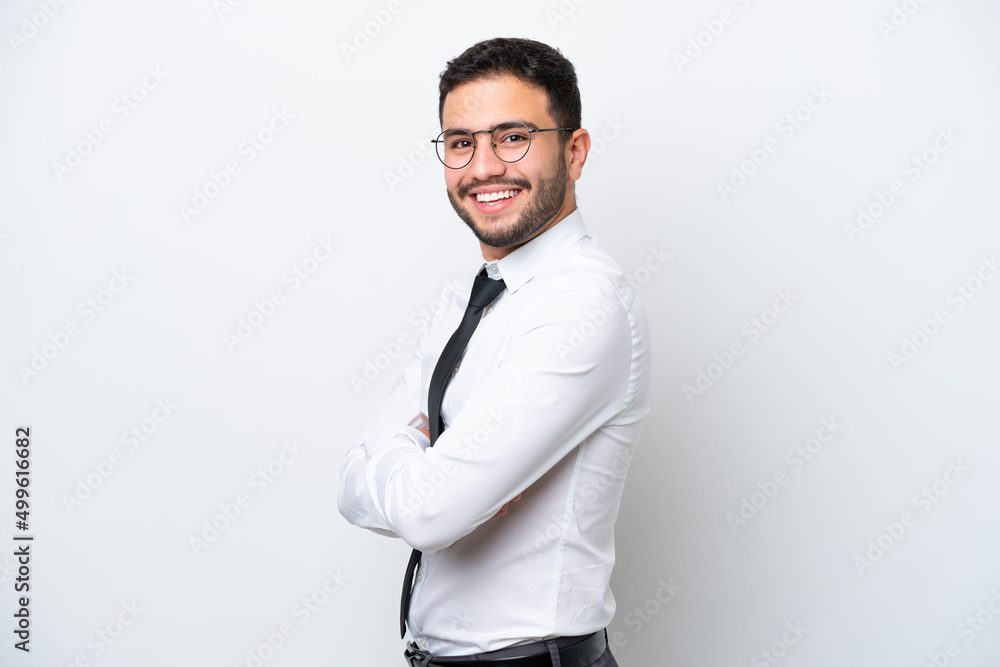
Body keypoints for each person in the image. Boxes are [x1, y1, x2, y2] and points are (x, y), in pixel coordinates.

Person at [338, 37, 650, 667]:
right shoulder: (471, 298)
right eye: (461, 142)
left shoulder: (583, 304)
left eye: (512, 137)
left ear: (575, 150)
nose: (483, 167)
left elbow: (428, 514)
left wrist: (416, 460)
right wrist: (424, 467)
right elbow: (349, 485)